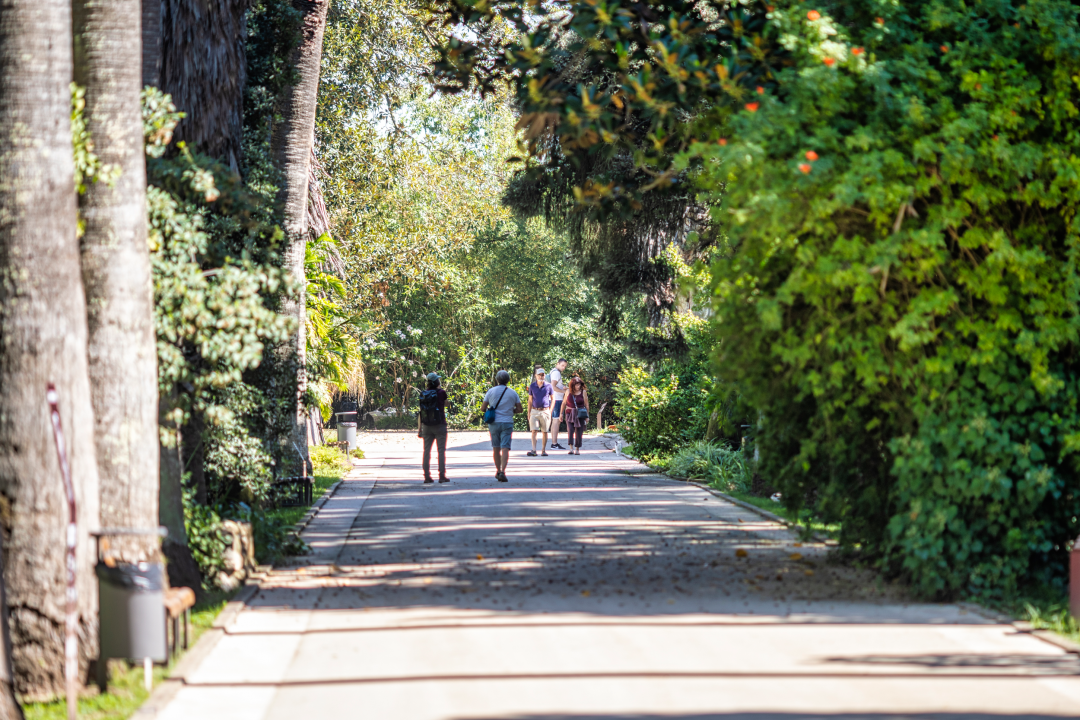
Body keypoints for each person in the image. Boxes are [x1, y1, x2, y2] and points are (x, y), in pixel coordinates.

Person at [480, 369, 522, 482]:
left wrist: (491, 409)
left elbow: (483, 408)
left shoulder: (491, 391)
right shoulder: (513, 393)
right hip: (507, 422)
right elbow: (520, 409)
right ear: (508, 380)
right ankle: (503, 471)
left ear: (497, 380)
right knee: (505, 448)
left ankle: (498, 470)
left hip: (494, 423)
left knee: (496, 448)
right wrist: (511, 410)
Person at [417, 372, 449, 483]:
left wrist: (420, 428)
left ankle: (426, 476)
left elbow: (421, 412)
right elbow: (447, 404)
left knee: (426, 451)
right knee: (441, 451)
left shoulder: (423, 394)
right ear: (437, 382)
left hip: (426, 425)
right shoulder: (441, 393)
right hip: (440, 425)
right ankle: (441, 475)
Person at [526, 367, 553, 456]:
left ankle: (543, 450)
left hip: (545, 411)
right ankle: (534, 450)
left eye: (542, 375)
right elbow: (530, 400)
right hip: (534, 410)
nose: (541, 376)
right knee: (534, 430)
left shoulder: (549, 386)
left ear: (544, 375)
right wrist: (529, 412)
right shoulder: (532, 386)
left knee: (545, 431)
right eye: (539, 375)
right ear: (536, 376)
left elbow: (553, 399)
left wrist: (550, 411)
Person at [562, 374, 590, 455]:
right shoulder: (568, 392)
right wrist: (561, 414)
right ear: (572, 385)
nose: (578, 386)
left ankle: (577, 448)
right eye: (576, 384)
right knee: (570, 430)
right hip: (569, 413)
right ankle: (571, 448)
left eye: (579, 384)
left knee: (579, 431)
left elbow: (586, 405)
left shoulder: (583, 392)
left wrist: (587, 416)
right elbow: (564, 403)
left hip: (580, 414)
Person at [549, 358, 568, 449]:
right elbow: (553, 386)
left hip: (554, 398)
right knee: (556, 421)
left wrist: (562, 387)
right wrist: (564, 392)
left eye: (565, 366)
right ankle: (554, 443)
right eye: (562, 365)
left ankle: (554, 443)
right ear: (558, 363)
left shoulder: (553, 371)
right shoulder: (556, 373)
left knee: (554, 421)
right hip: (557, 399)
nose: (563, 367)